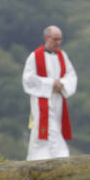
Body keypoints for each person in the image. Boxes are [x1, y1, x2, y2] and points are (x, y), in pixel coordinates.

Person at [22, 26, 78, 160]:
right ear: (46, 38)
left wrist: (62, 84)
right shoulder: (35, 56)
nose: (58, 42)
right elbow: (28, 78)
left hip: (58, 99)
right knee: (47, 129)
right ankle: (53, 156)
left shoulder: (63, 55)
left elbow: (72, 76)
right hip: (42, 98)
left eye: (60, 39)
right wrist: (51, 83)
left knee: (56, 127)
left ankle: (50, 157)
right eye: (55, 39)